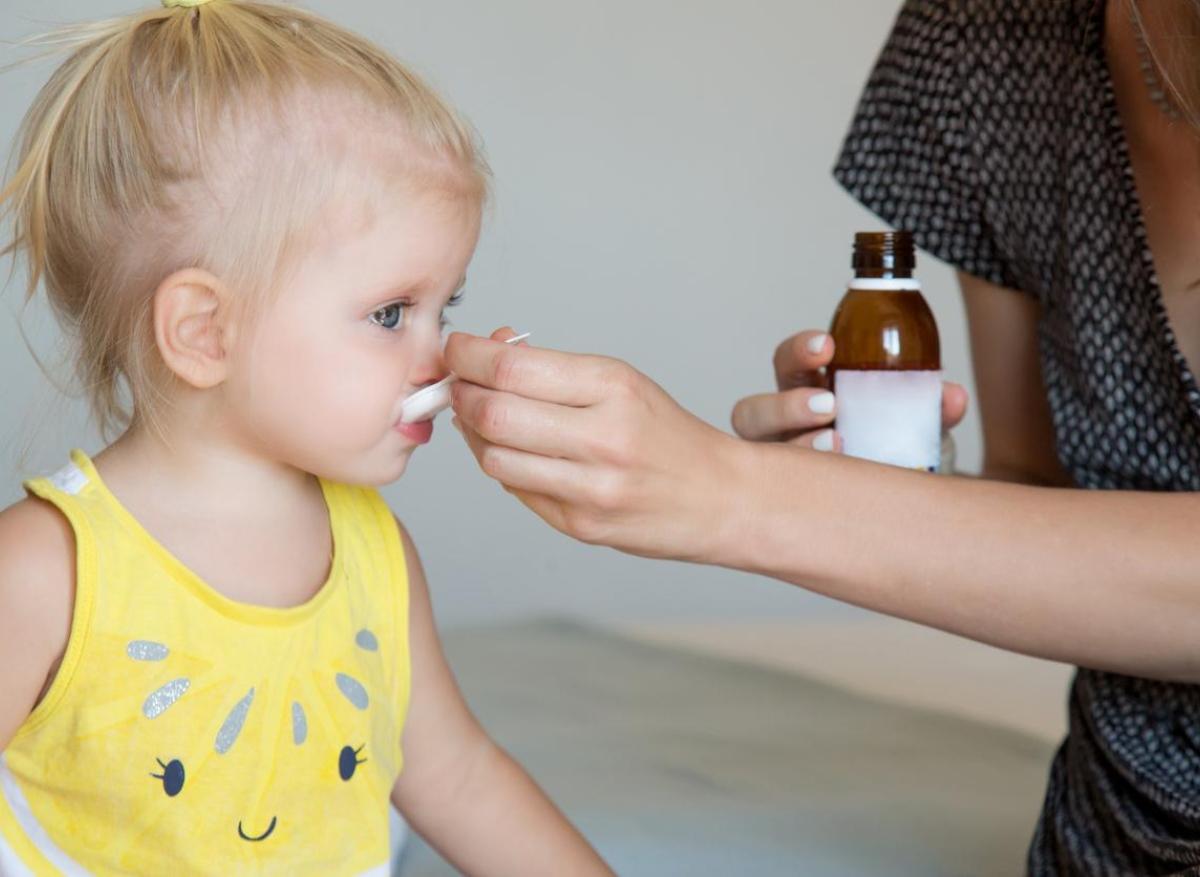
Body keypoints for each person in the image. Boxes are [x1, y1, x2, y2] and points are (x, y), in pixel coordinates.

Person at [444, 0, 1200, 873]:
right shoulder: (976, 41)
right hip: (1103, 834)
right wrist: (866, 489)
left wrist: (747, 499)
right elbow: (1035, 487)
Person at [0, 1, 613, 874]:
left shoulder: (377, 556)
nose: (437, 353)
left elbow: (461, 778)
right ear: (205, 332)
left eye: (449, 306)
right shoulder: (42, 570)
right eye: (391, 312)